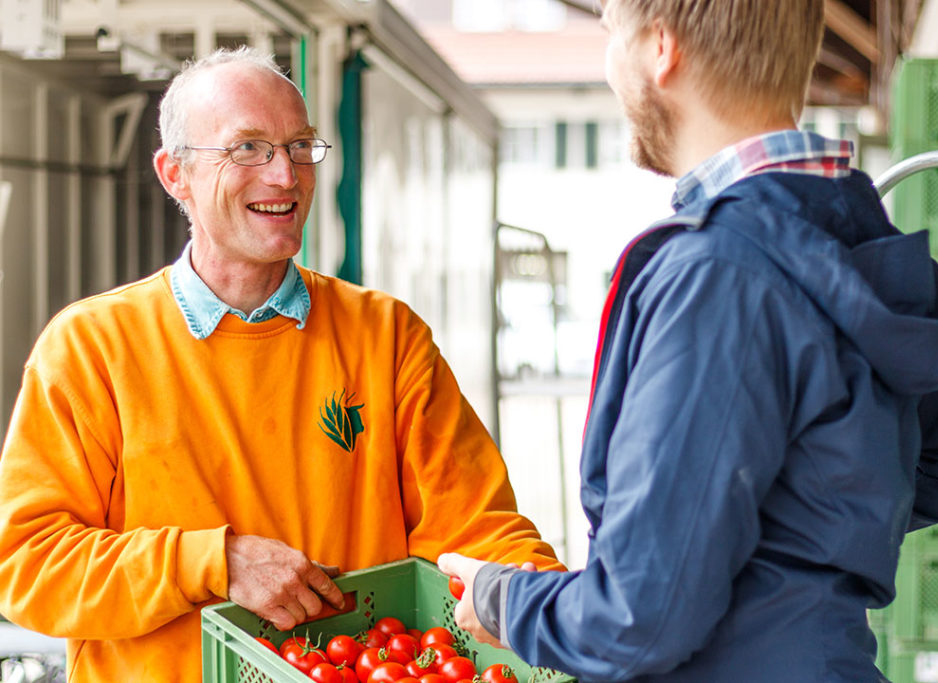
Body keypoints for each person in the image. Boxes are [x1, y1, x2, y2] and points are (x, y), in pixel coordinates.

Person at [439, 0, 938, 680]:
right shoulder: (851, 233)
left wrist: (506, 599)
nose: (610, 63)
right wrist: (786, 530)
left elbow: (638, 614)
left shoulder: (718, 273)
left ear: (659, 47)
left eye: (610, 35)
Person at [0, 47, 560, 683]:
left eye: (300, 146)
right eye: (248, 148)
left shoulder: (386, 337)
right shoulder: (89, 348)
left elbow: (478, 531)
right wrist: (213, 561)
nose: (285, 175)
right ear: (174, 173)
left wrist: (562, 609)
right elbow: (27, 565)